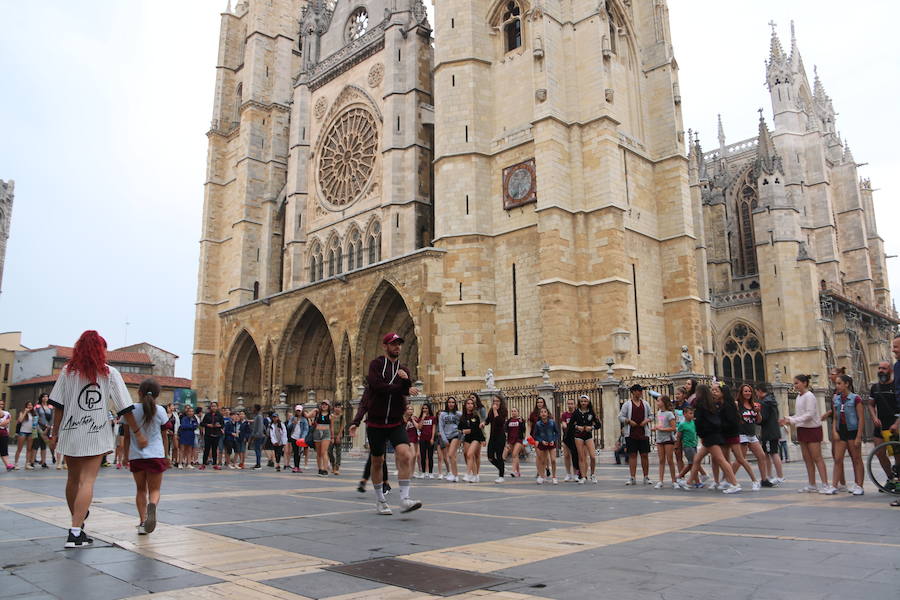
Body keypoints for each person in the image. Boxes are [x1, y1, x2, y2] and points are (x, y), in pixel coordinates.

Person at [47, 331, 147, 548]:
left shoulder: (67, 371)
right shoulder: (109, 373)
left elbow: (57, 406)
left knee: (73, 480)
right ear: (100, 349)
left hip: (71, 431)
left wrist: (54, 433)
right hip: (96, 432)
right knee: (87, 481)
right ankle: (75, 531)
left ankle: (78, 524)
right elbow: (125, 407)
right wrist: (138, 433)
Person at [349, 332, 422, 515]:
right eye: (393, 344)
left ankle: (405, 499)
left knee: (406, 454)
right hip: (376, 422)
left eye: (399, 344)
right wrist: (356, 421)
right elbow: (377, 388)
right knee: (377, 461)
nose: (397, 346)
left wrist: (407, 381)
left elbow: (403, 392)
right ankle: (381, 501)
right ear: (385, 346)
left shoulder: (404, 369)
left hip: (396, 422)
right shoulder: (376, 365)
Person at [123, 379, 168, 535]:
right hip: (156, 454)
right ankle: (153, 505)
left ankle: (142, 522)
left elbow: (127, 437)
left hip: (137, 455)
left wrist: (124, 456)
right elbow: (164, 435)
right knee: (154, 490)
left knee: (140, 490)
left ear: (139, 393)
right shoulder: (161, 411)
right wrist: (166, 454)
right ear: (157, 394)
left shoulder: (131, 410)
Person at [780, 374, 835, 494]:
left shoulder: (809, 396)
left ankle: (825, 484)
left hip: (812, 429)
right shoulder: (799, 397)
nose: (795, 385)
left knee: (817, 457)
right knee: (807, 458)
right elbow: (800, 415)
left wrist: (792, 420)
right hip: (802, 429)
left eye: (796, 383)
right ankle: (812, 484)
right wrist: (788, 419)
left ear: (804, 383)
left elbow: (809, 415)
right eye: (794, 383)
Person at [683, 384, 741, 493]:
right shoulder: (711, 404)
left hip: (710, 437)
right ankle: (689, 482)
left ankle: (734, 483)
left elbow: (700, 423)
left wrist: (701, 434)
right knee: (697, 459)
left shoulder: (701, 405)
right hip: (710, 436)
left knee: (721, 460)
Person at [831, 374, 865, 495]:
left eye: (839, 383)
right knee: (838, 459)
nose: (837, 386)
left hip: (853, 431)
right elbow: (835, 417)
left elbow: (861, 418)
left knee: (856, 459)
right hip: (841, 431)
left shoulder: (856, 398)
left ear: (847, 384)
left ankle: (859, 485)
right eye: (836, 384)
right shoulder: (836, 399)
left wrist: (858, 437)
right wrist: (834, 431)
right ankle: (834, 485)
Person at [734, 384, 772, 489]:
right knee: (740, 459)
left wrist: (758, 412)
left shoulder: (754, 405)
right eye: (745, 391)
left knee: (761, 456)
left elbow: (759, 420)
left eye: (749, 391)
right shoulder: (737, 404)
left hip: (751, 434)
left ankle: (764, 480)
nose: (748, 393)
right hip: (742, 434)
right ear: (741, 393)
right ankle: (729, 478)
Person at [869, 360, 900, 489]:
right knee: (880, 453)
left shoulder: (895, 386)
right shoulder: (875, 388)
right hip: (880, 426)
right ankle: (890, 478)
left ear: (891, 371)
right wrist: (874, 417)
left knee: (898, 455)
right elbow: (870, 405)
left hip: (894, 425)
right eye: (879, 368)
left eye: (884, 368)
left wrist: (897, 423)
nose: (881, 370)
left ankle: (898, 480)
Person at [619, 384, 652, 485]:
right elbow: (620, 417)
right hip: (631, 433)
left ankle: (646, 476)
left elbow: (651, 416)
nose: (640, 393)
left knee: (644, 455)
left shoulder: (645, 404)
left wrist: (646, 420)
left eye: (641, 391)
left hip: (643, 433)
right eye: (638, 391)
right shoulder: (627, 404)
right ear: (633, 392)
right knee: (632, 455)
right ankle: (632, 477)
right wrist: (628, 421)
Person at [823, 366, 846, 490]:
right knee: (836, 455)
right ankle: (841, 482)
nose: (829, 376)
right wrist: (828, 413)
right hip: (836, 425)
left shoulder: (844, 391)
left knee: (848, 457)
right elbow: (836, 409)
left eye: (832, 374)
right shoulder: (835, 392)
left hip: (843, 426)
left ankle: (842, 483)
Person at [572, 395, 599, 484]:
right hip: (578, 435)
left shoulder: (591, 412)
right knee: (581, 457)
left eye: (585, 401)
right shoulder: (576, 412)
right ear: (579, 402)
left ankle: (593, 474)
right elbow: (571, 424)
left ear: (588, 402)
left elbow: (598, 424)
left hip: (588, 435)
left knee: (593, 456)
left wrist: (591, 427)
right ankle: (583, 476)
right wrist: (577, 427)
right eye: (582, 401)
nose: (583, 403)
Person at [652, 395, 677, 489]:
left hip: (668, 439)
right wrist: (656, 428)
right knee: (661, 460)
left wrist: (661, 429)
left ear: (664, 402)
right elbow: (660, 424)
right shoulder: (658, 413)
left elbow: (673, 428)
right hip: (659, 439)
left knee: (670, 460)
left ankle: (674, 480)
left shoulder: (669, 414)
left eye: (659, 401)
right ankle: (660, 480)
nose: (657, 403)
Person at [459, 396, 485, 483]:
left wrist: (483, 439)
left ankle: (468, 474)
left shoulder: (476, 416)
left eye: (471, 404)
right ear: (465, 405)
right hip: (467, 438)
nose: (470, 405)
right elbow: (459, 429)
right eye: (468, 403)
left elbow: (478, 429)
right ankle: (475, 475)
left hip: (476, 438)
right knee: (467, 456)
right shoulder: (462, 417)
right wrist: (463, 431)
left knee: (470, 454)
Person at [675, 406, 702, 486]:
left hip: (694, 445)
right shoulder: (682, 425)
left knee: (692, 464)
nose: (692, 415)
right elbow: (679, 436)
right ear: (684, 414)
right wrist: (677, 445)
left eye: (692, 413)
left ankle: (679, 476)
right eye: (690, 413)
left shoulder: (693, 423)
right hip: (687, 446)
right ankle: (697, 481)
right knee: (694, 463)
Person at [437, 397, 461, 482]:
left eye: (453, 402)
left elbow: (462, 425)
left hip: (455, 435)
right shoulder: (443, 414)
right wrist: (444, 439)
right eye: (449, 402)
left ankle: (456, 475)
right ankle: (453, 474)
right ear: (447, 403)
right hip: (446, 437)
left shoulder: (458, 414)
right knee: (452, 457)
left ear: (455, 404)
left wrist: (461, 437)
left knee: (451, 455)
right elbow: (441, 427)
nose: (451, 404)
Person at [533, 407, 558, 484]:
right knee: (543, 461)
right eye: (542, 412)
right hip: (543, 443)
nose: (543, 413)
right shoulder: (538, 424)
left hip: (551, 443)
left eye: (545, 412)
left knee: (553, 460)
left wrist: (553, 440)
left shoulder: (552, 422)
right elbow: (535, 435)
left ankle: (554, 477)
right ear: (540, 414)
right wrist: (541, 441)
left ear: (547, 414)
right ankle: (541, 476)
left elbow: (557, 433)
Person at [486, 395, 507, 483]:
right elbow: (488, 420)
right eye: (494, 401)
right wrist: (484, 423)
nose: (495, 403)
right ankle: (501, 468)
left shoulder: (503, 411)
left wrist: (495, 410)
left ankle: (501, 476)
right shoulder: (491, 411)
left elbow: (499, 422)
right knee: (490, 457)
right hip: (492, 436)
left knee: (499, 456)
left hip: (500, 436)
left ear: (501, 402)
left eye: (497, 401)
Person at [199, 402, 224, 470]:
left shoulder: (219, 415)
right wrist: (207, 425)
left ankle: (215, 464)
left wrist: (219, 425)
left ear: (217, 407)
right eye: (212, 406)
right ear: (210, 407)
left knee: (214, 450)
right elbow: (202, 423)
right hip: (208, 434)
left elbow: (222, 424)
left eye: (215, 406)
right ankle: (203, 464)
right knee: (206, 449)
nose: (213, 407)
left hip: (216, 434)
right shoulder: (207, 415)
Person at [559, 397, 579, 482]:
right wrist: (565, 425)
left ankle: (576, 474)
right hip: (566, 437)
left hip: (575, 437)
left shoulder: (577, 414)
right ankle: (568, 473)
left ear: (575, 405)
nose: (570, 405)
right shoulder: (564, 415)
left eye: (571, 403)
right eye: (569, 403)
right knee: (566, 455)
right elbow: (563, 424)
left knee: (574, 455)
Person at [313, 401, 334, 476]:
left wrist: (332, 437)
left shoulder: (331, 416)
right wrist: (314, 410)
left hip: (326, 433)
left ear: (328, 406)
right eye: (323, 404)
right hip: (317, 432)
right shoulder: (317, 414)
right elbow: (308, 415)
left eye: (326, 404)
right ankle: (320, 468)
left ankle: (325, 469)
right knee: (318, 453)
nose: (324, 406)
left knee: (324, 451)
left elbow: (331, 427)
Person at [504, 406, 526, 478]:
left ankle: (513, 471)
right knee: (515, 456)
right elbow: (506, 431)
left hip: (518, 440)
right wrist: (506, 441)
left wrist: (521, 423)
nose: (513, 412)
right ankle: (518, 472)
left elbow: (523, 430)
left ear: (518, 412)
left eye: (515, 411)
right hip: (511, 440)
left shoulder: (521, 420)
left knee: (514, 454)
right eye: (512, 411)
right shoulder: (508, 421)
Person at [417, 403, 436, 478]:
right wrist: (422, 418)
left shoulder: (433, 418)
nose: (425, 410)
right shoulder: (420, 418)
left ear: (429, 409)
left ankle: (430, 472)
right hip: (422, 439)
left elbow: (434, 429)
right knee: (423, 456)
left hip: (430, 439)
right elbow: (419, 427)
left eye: (426, 408)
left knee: (430, 456)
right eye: (423, 408)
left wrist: (432, 438)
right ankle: (423, 472)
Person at [35, 394, 54, 468]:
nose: (45, 398)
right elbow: (36, 417)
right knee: (37, 444)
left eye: (47, 396)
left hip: (48, 428)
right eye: (43, 396)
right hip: (40, 427)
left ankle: (43, 462)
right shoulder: (37, 406)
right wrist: (45, 425)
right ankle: (32, 461)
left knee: (45, 444)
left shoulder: (50, 407)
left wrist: (49, 426)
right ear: (41, 398)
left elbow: (52, 417)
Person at [288, 405, 308, 473]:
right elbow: (288, 427)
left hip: (300, 438)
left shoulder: (304, 419)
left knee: (299, 452)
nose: (298, 412)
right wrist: (293, 423)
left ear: (301, 411)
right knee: (295, 452)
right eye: (297, 410)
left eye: (299, 410)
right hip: (294, 437)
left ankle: (297, 466)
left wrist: (303, 437)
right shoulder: (293, 418)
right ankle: (296, 466)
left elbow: (306, 429)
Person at [15, 401, 34, 469]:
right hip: (22, 432)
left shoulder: (33, 414)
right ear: (25, 406)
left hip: (31, 433)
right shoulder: (22, 412)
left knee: (29, 449)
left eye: (31, 405)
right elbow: (20, 420)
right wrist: (25, 412)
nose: (30, 406)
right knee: (19, 449)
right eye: (28, 405)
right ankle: (16, 463)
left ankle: (27, 464)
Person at [404, 404, 421, 478]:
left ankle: (413, 472)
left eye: (412, 409)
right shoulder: (403, 419)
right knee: (413, 454)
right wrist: (407, 423)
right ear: (406, 410)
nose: (410, 411)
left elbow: (418, 427)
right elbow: (403, 429)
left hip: (415, 438)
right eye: (409, 409)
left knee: (415, 456)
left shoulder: (414, 418)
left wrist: (413, 420)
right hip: (408, 438)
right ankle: (408, 471)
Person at [329, 403, 346, 475]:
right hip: (331, 436)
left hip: (339, 436)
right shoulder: (331, 416)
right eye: (336, 407)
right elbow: (329, 426)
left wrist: (339, 436)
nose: (337, 408)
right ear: (334, 408)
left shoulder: (342, 417)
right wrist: (331, 437)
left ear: (341, 408)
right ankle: (333, 464)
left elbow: (342, 427)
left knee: (338, 452)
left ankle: (337, 467)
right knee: (329, 451)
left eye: (339, 407)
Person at [250, 404, 266, 470]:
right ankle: (257, 463)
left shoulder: (259, 416)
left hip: (258, 436)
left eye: (253, 408)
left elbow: (260, 427)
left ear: (256, 409)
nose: (252, 409)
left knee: (257, 450)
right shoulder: (257, 416)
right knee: (257, 450)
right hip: (257, 435)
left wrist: (256, 435)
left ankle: (258, 464)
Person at [0, 398, 14, 471]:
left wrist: (2, 424)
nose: (0, 405)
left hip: (3, 434)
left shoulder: (7, 413)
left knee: (4, 451)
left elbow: (6, 422)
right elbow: (3, 424)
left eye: (2, 404)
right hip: (2, 430)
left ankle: (8, 465)